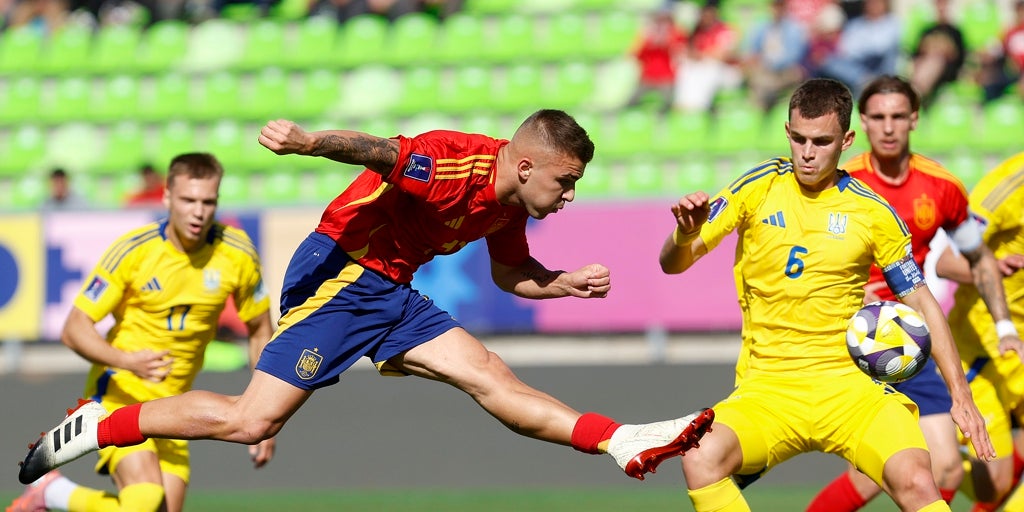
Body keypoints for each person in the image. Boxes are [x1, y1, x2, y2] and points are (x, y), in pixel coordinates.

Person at [16, 109, 716, 488]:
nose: (569, 196)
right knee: (250, 422)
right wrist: (308, 142)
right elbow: (380, 152)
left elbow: (512, 276)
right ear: (526, 165)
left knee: (489, 375)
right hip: (343, 274)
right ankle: (103, 424)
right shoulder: (455, 163)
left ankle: (618, 439)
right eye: (564, 184)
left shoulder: (510, 206)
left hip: (390, 288)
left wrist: (561, 283)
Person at [659, 77, 994, 512]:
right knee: (700, 457)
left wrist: (960, 396)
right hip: (767, 391)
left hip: (851, 390)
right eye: (798, 139)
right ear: (787, 132)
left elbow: (923, 301)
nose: (808, 152)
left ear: (847, 140)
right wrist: (684, 235)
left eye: (821, 141)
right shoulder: (757, 187)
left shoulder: (872, 211)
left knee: (916, 480)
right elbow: (672, 263)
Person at [8, 153, 276, 512]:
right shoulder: (135, 251)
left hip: (176, 410)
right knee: (144, 499)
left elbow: (260, 330)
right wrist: (126, 360)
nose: (198, 212)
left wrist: (263, 411)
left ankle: (50, 494)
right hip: (119, 396)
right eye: (188, 200)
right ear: (166, 198)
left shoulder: (237, 253)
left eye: (208, 201)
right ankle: (54, 494)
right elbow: (75, 329)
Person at [804, 75, 1021, 511]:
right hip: (837, 332)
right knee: (882, 469)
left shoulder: (941, 187)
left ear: (914, 119)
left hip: (903, 336)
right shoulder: (835, 181)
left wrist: (1003, 325)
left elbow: (973, 258)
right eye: (879, 117)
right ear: (861, 123)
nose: (888, 127)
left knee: (947, 471)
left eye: (898, 116)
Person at [934, 151, 1024, 511]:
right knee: (993, 485)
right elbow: (945, 262)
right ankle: (931, 456)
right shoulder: (1006, 187)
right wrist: (990, 268)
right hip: (984, 348)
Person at [815, 0, 901, 98]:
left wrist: (864, 48)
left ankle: (875, 82)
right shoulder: (855, 24)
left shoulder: (893, 22)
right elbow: (847, 49)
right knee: (827, 60)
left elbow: (882, 47)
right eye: (870, 3)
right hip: (857, 64)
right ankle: (864, 80)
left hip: (879, 65)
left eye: (877, 3)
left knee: (889, 54)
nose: (873, 6)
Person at [739, 0, 809, 112]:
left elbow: (794, 55)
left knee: (791, 75)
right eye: (775, 6)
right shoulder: (761, 26)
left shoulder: (794, 28)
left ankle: (765, 107)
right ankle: (757, 112)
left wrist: (770, 63)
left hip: (784, 70)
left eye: (780, 6)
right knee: (752, 75)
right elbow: (750, 49)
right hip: (764, 69)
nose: (777, 9)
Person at [624, 7, 687, 114]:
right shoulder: (646, 35)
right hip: (648, 76)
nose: (662, 24)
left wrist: (667, 41)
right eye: (659, 20)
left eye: (665, 21)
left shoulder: (677, 33)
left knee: (669, 103)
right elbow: (634, 54)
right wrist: (649, 42)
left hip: (667, 77)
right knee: (631, 102)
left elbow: (680, 54)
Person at [908, 0, 966, 109]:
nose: (941, 7)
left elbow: (960, 58)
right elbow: (916, 55)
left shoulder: (955, 32)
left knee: (936, 60)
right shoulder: (926, 31)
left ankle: (916, 91)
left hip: (947, 72)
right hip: (923, 68)